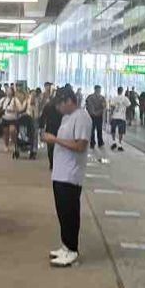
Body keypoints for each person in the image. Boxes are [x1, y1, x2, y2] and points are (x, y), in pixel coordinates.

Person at [43, 88, 92, 268]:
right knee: (62, 212)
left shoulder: (82, 118)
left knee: (70, 212)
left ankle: (72, 249)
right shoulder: (66, 118)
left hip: (71, 174)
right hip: (60, 173)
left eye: (60, 104)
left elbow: (80, 145)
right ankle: (65, 245)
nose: (58, 108)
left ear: (69, 101)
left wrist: (55, 140)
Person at [39, 87, 63, 170]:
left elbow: (43, 117)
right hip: (61, 128)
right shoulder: (63, 105)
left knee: (50, 147)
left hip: (50, 127)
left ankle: (52, 164)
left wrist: (41, 128)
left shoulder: (49, 104)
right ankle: (57, 163)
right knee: (60, 146)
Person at [0, 83, 24, 154]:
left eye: (10, 91)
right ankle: (6, 145)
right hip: (5, 118)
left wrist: (14, 110)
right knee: (5, 132)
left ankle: (15, 144)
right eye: (7, 91)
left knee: (12, 131)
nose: (8, 92)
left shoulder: (15, 100)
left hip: (13, 119)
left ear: (12, 92)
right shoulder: (3, 99)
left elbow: (21, 108)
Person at [85, 85, 106, 153]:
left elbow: (104, 106)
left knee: (99, 129)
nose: (99, 91)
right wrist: (93, 112)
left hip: (98, 115)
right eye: (98, 90)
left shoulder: (101, 98)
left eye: (100, 90)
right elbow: (88, 106)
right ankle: (93, 142)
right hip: (93, 116)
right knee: (92, 130)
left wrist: (96, 112)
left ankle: (99, 142)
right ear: (95, 89)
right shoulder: (90, 97)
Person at [109, 85, 130, 152]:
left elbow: (112, 107)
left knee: (113, 130)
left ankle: (113, 142)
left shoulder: (114, 98)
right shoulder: (125, 98)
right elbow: (129, 105)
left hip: (115, 116)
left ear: (117, 91)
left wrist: (110, 115)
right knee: (121, 131)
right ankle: (120, 144)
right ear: (122, 91)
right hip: (122, 117)